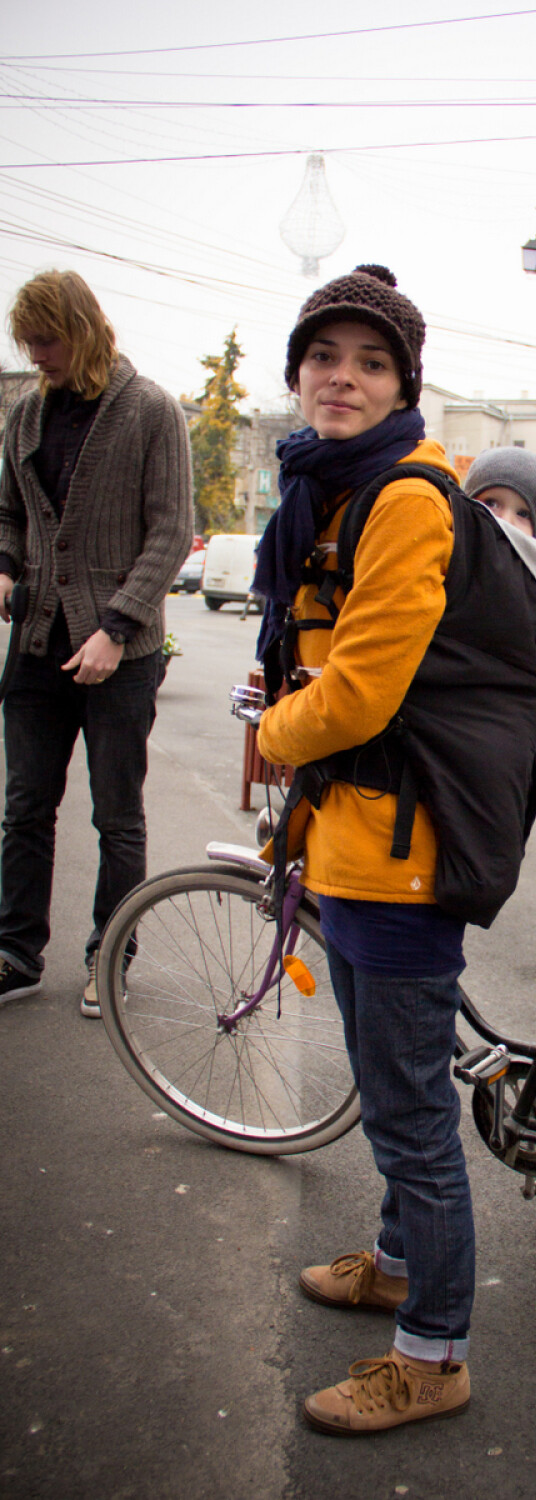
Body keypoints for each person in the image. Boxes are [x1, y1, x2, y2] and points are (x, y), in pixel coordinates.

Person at [253, 264, 536, 1437]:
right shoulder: (334, 493)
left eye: (370, 362)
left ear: (402, 386)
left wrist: (274, 729)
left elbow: (362, 695)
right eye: (324, 356)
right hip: (356, 841)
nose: (342, 377)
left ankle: (432, 1355)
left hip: (398, 849)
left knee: (409, 1122)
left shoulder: (402, 498)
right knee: (397, 1092)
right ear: (298, 373)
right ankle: (394, 1262)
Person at [0, 270, 193, 1016]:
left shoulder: (150, 410)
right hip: (39, 646)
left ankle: (108, 956)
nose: (36, 354)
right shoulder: (26, 413)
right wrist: (6, 565)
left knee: (116, 816)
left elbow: (171, 531)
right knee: (24, 810)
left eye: (45, 340)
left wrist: (117, 626)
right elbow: (6, 511)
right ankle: (15, 951)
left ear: (80, 329)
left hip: (123, 657)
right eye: (27, 342)